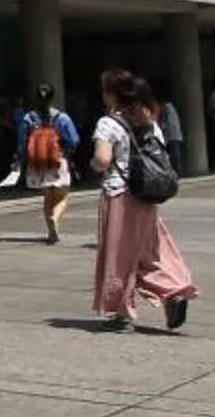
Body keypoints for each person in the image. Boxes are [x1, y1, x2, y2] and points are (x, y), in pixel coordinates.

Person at [90, 68, 197, 333]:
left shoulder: (108, 123)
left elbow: (103, 159)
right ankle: (173, 291)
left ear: (113, 94)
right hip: (146, 195)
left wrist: (94, 164)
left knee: (120, 255)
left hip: (120, 194)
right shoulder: (148, 121)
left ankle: (121, 312)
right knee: (151, 250)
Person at [14, 83, 80, 244]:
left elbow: (22, 144)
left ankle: (51, 233)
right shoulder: (61, 117)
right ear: (52, 97)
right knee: (62, 196)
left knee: (47, 198)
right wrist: (66, 150)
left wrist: (21, 159)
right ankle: (55, 217)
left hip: (38, 163)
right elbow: (74, 140)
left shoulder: (28, 118)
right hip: (57, 160)